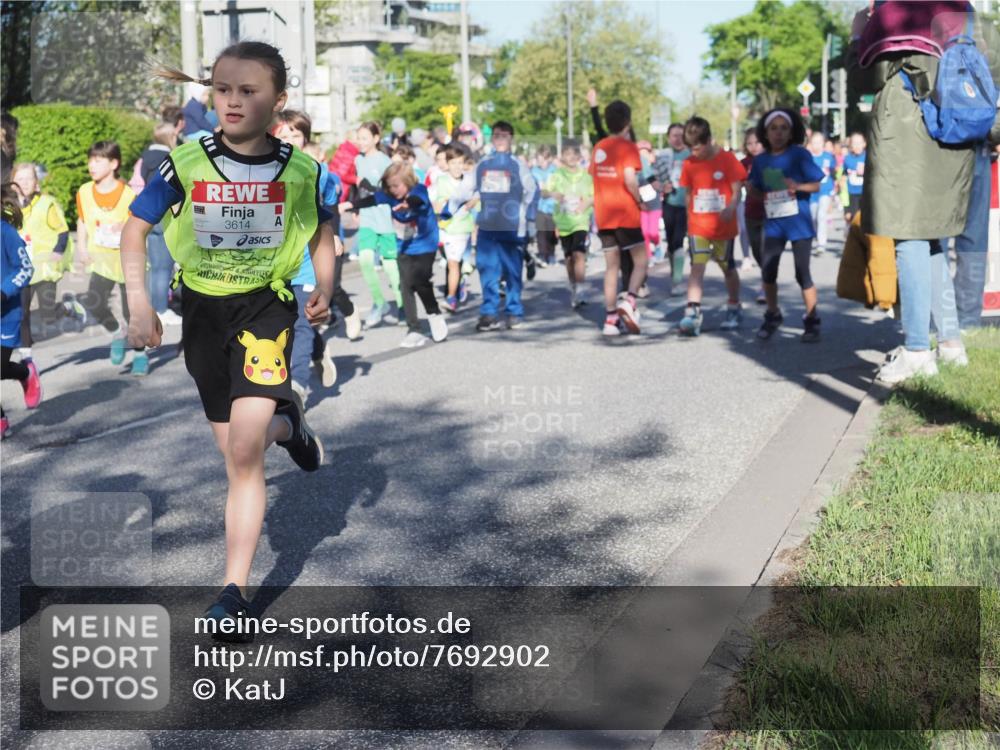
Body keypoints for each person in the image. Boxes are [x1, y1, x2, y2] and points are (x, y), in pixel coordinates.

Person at [124, 41, 334, 634]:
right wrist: (139, 303)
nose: (233, 101)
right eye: (222, 90)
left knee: (243, 453)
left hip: (267, 309)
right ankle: (289, 425)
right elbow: (135, 230)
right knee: (235, 451)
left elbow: (320, 232)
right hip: (203, 314)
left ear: (278, 100)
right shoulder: (185, 162)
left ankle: (232, 591)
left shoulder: (302, 170)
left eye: (248, 91)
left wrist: (324, 286)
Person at [849, 1, 998, 382]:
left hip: (909, 132)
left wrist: (857, 34)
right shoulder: (962, 6)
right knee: (929, 238)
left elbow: (864, 79)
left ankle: (916, 350)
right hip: (955, 130)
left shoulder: (893, 10)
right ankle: (950, 343)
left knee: (909, 237)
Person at [272, 110, 344, 398]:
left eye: (296, 135)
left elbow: (328, 207)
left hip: (306, 260)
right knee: (281, 324)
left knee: (302, 321)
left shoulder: (318, 171)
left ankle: (298, 384)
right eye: (283, 134)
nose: (289, 140)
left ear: (305, 138)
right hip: (273, 264)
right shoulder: (261, 170)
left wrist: (333, 234)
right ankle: (317, 348)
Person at [343, 163, 448, 348]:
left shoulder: (418, 190)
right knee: (405, 284)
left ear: (407, 182)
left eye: (397, 186)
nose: (393, 190)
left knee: (420, 281)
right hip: (403, 245)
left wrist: (408, 204)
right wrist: (349, 204)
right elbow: (372, 200)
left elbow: (417, 200)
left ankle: (434, 314)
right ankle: (414, 329)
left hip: (425, 243)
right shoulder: (389, 195)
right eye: (389, 186)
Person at [747, 109, 825, 342]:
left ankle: (811, 319)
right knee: (768, 271)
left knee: (802, 273)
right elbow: (757, 192)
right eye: (773, 128)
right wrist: (752, 190)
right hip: (774, 224)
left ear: (791, 133)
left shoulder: (799, 155)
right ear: (765, 133)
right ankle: (773, 314)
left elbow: (816, 185)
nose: (778, 133)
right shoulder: (761, 160)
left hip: (799, 224)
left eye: (783, 128)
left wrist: (797, 187)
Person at [75, 141, 147, 373]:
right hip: (101, 259)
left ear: (114, 164)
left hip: (127, 259)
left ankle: (140, 354)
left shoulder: (128, 194)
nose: (91, 165)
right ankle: (118, 332)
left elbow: (140, 224)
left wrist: (124, 226)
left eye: (98, 160)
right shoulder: (84, 191)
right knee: (94, 302)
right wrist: (82, 248)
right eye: (90, 160)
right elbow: (82, 220)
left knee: (131, 311)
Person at [676, 117, 747, 335]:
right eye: (691, 148)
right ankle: (692, 311)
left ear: (709, 140)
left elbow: (737, 190)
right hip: (698, 225)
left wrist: (731, 207)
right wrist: (688, 218)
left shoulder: (727, 159)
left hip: (722, 227)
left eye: (697, 148)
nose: (694, 153)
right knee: (697, 267)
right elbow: (688, 193)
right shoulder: (689, 163)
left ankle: (734, 305)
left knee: (727, 268)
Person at [590, 100, 645, 336]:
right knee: (641, 261)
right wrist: (641, 200)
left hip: (604, 215)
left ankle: (610, 319)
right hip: (625, 213)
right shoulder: (628, 147)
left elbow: (595, 176)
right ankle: (630, 300)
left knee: (611, 268)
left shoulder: (599, 147)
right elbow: (630, 179)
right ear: (628, 123)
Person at [473, 121, 536, 331]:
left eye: (505, 135)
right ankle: (489, 313)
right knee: (487, 270)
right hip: (487, 227)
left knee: (512, 271)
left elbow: (532, 191)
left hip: (511, 228)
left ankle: (514, 311)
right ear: (492, 138)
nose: (500, 139)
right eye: (497, 135)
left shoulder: (518, 165)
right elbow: (469, 188)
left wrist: (525, 215)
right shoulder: (483, 164)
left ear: (511, 139)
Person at [11, 162, 74, 353]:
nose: (24, 183)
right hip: (22, 267)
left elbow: (62, 230)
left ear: (36, 182)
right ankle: (26, 352)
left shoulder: (46, 204)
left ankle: (66, 307)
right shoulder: (8, 207)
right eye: (20, 179)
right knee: (21, 312)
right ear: (12, 182)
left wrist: (58, 251)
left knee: (47, 315)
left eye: (29, 178)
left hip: (44, 267)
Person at [1, 183, 41, 439]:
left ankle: (25, 373)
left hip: (5, 315)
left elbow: (25, 268)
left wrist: (3, 291)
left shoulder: (5, 232)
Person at [355, 121, 402, 328]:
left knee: (390, 267)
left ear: (376, 139)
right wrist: (356, 209)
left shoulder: (385, 161)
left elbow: (392, 190)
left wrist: (371, 187)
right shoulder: (358, 159)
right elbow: (359, 189)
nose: (360, 142)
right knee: (365, 260)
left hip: (385, 219)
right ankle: (379, 303)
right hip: (367, 218)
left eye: (364, 138)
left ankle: (402, 305)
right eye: (358, 138)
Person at [138, 121, 182, 326]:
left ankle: (154, 307)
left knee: (155, 268)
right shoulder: (170, 158)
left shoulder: (145, 158)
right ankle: (162, 310)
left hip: (150, 215)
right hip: (165, 216)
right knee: (164, 267)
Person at [545, 140, 594, 308]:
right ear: (562, 157)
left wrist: (584, 205)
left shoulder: (586, 176)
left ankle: (580, 288)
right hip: (563, 221)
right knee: (569, 257)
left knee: (579, 254)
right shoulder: (557, 175)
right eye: (567, 154)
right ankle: (573, 285)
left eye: (574, 154)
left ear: (579, 157)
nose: (571, 157)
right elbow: (544, 192)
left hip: (580, 221)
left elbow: (593, 196)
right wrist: (554, 194)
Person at [431, 143, 477, 312]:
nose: (457, 167)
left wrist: (473, 201)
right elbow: (436, 203)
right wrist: (440, 204)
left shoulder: (469, 181)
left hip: (460, 229)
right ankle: (462, 277)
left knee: (452, 263)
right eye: (453, 163)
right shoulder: (441, 180)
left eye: (460, 163)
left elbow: (477, 200)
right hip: (443, 228)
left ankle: (451, 298)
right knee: (450, 262)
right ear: (447, 164)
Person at [661, 123, 692, 294]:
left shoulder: (691, 155)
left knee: (679, 241)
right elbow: (650, 181)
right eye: (674, 135)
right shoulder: (663, 156)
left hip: (686, 206)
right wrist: (660, 188)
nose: (678, 139)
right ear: (668, 138)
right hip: (668, 204)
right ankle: (675, 274)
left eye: (681, 135)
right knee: (671, 242)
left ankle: (677, 281)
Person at [738, 128, 767, 305]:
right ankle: (768, 275)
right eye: (749, 143)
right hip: (750, 211)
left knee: (765, 249)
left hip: (769, 212)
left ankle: (766, 285)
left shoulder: (770, 160)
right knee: (756, 250)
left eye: (757, 142)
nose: (754, 146)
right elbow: (736, 186)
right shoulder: (743, 163)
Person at [808, 131, 837, 255]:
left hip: (825, 190)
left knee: (821, 215)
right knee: (813, 216)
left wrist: (834, 188)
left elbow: (833, 173)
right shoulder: (808, 158)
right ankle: (816, 234)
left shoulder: (828, 157)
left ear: (823, 143)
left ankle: (821, 243)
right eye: (814, 142)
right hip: (812, 191)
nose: (817, 145)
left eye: (819, 142)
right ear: (811, 144)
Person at [531, 145, 559, 267]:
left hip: (553, 206)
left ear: (548, 159)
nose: (540, 163)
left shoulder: (555, 171)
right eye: (538, 160)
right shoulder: (534, 171)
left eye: (542, 160)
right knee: (541, 232)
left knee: (551, 233)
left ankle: (551, 254)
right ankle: (542, 255)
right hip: (539, 206)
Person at [841, 132, 866, 225]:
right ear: (850, 145)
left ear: (864, 144)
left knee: (865, 216)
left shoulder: (868, 157)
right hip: (852, 192)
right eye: (855, 143)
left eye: (859, 143)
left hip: (865, 192)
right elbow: (844, 173)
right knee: (854, 216)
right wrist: (841, 184)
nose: (857, 146)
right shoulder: (847, 158)